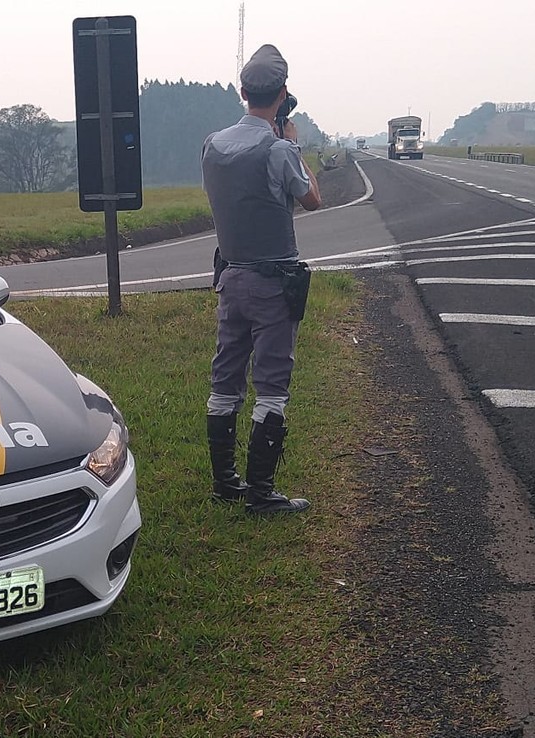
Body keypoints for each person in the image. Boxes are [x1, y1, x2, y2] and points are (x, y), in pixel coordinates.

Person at [201, 44, 321, 516]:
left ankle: (225, 481)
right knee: (271, 384)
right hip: (273, 282)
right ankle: (261, 492)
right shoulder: (279, 150)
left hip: (230, 277)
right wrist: (293, 145)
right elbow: (312, 199)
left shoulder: (213, 145)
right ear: (283, 94)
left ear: (243, 91)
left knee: (225, 378)